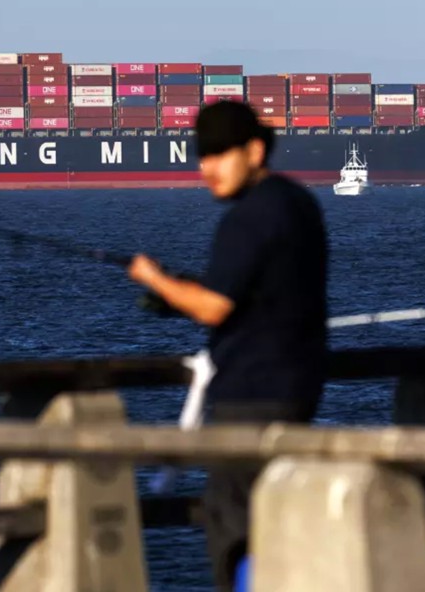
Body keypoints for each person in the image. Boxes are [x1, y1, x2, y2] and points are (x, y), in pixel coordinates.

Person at [127, 100, 329, 592]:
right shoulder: (298, 203)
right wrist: (182, 293)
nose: (206, 169)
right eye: (202, 156)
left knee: (234, 525)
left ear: (254, 150)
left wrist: (155, 279)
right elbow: (260, 291)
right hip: (299, 385)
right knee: (277, 516)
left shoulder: (248, 218)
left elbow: (215, 308)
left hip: (250, 394)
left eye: (219, 155)